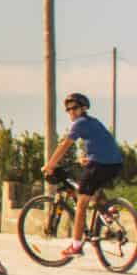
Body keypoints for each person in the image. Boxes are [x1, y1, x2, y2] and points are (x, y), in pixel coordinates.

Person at [40, 92, 125, 257]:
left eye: (74, 108)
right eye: (68, 109)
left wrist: (50, 165)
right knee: (91, 185)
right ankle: (108, 211)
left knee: (81, 202)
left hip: (100, 163)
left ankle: (76, 247)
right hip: (115, 164)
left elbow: (65, 145)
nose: (71, 111)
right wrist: (87, 158)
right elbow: (101, 143)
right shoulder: (92, 122)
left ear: (84, 108)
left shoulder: (79, 123)